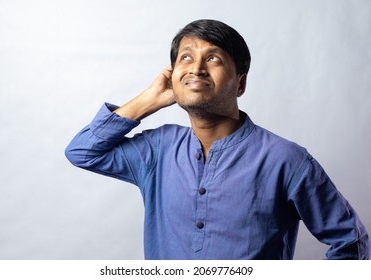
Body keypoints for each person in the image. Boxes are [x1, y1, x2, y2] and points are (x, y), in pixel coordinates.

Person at [65, 19, 369, 259]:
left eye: (213, 58)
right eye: (186, 58)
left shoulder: (286, 160)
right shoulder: (158, 149)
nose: (196, 68)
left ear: (240, 83)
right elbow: (82, 152)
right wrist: (149, 100)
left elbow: (351, 243)